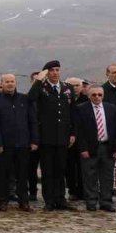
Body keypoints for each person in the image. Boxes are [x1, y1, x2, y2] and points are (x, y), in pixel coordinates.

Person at [28, 61, 78, 211]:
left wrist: (73, 133)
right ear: (46, 73)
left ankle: (60, 199)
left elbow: (72, 112)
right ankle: (49, 200)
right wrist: (38, 80)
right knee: (48, 170)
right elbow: (30, 99)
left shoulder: (67, 88)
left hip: (63, 136)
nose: (55, 73)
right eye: (52, 70)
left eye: (57, 70)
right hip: (46, 136)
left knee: (60, 169)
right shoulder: (41, 88)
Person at [0, 74, 38, 212]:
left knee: (23, 174)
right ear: (2, 84)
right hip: (4, 144)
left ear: (16, 83)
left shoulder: (24, 99)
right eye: (7, 82)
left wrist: (34, 140)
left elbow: (32, 121)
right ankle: (3, 201)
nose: (10, 84)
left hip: (23, 143)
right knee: (3, 174)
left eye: (12, 81)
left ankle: (24, 201)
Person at [75, 86, 116, 212]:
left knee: (107, 176)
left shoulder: (112, 108)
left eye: (99, 95)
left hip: (107, 147)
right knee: (90, 176)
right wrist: (83, 148)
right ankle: (91, 201)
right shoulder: (82, 109)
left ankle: (106, 201)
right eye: (94, 95)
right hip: (90, 147)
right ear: (89, 96)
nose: (97, 97)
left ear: (103, 96)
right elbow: (80, 131)